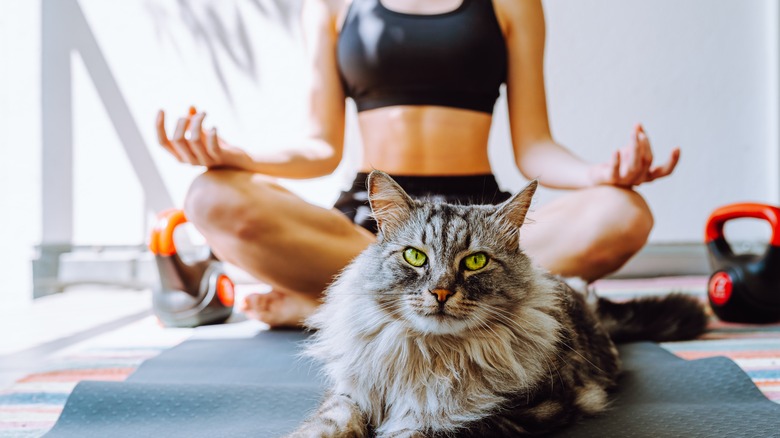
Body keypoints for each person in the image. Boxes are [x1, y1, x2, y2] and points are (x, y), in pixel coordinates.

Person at [156, 0, 680, 327]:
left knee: (624, 212)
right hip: (370, 232)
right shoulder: (331, 4)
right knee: (211, 195)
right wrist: (239, 158)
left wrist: (601, 177)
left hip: (476, 229)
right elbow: (319, 147)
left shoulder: (512, 2)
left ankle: (336, 309)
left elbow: (534, 145)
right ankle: (376, 300)